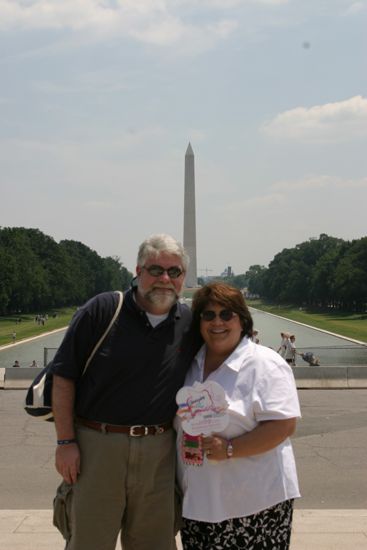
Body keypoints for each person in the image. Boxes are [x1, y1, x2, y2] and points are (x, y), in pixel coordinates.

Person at [50, 234, 196, 550]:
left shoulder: (188, 321)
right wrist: (65, 442)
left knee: (155, 543)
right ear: (138, 270)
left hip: (159, 450)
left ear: (183, 277)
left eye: (175, 272)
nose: (165, 279)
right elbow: (63, 378)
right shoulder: (103, 310)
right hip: (97, 448)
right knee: (89, 542)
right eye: (155, 269)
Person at [175, 282, 301, 550]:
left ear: (242, 321)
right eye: (208, 315)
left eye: (226, 314)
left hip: (253, 503)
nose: (217, 322)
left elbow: (283, 426)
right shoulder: (190, 365)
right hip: (199, 503)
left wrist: (230, 448)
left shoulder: (265, 364)